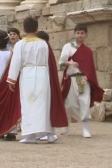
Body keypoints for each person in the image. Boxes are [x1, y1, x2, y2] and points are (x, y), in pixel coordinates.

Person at [7, 16, 68, 144]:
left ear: (23, 29)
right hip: (42, 74)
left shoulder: (20, 44)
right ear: (37, 28)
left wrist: (11, 80)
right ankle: (50, 134)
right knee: (44, 104)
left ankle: (30, 135)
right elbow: (49, 62)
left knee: (28, 104)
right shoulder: (43, 44)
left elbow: (15, 62)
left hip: (27, 74)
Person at [59, 24, 105, 138]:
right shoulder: (68, 47)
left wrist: (87, 77)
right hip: (71, 79)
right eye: (78, 33)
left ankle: (85, 128)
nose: (80, 35)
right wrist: (69, 62)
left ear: (86, 34)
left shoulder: (88, 51)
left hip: (83, 80)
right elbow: (61, 63)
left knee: (84, 102)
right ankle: (65, 125)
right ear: (75, 34)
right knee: (69, 104)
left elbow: (90, 68)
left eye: (82, 33)